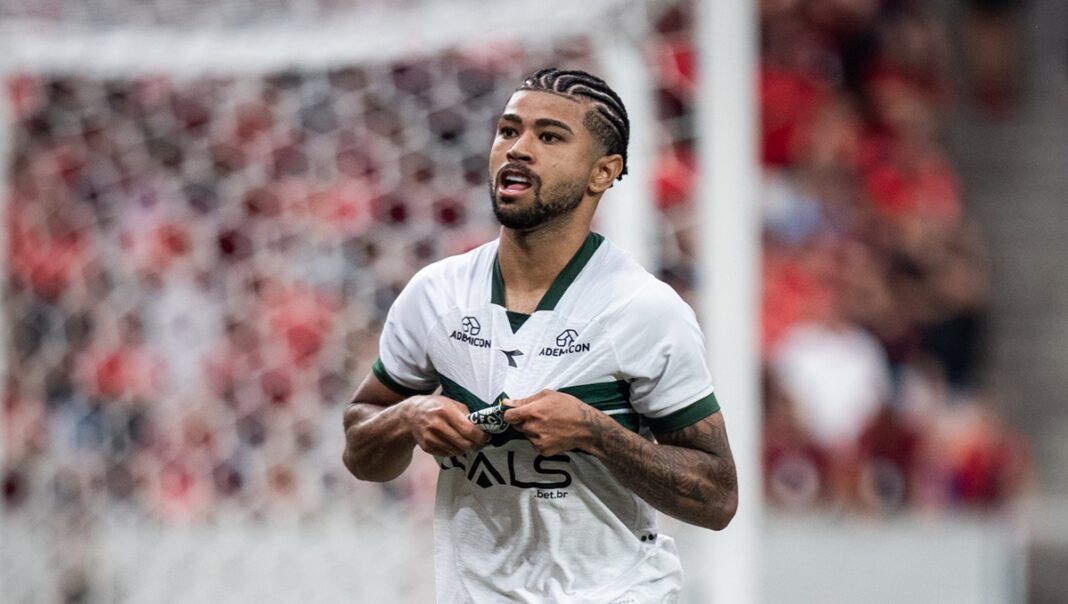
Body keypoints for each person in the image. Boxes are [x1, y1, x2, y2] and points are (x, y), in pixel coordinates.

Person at [342, 68, 737, 603]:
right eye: (508, 131)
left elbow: (717, 498)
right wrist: (408, 419)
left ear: (603, 172)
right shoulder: (435, 295)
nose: (518, 149)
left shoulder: (643, 310)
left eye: (549, 136)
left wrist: (597, 433)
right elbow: (362, 454)